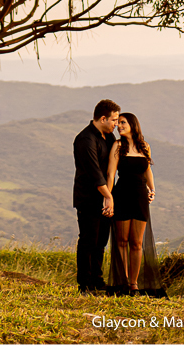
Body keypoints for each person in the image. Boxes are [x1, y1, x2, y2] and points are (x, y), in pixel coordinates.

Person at [105, 111, 167, 297]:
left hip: (140, 196)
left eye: (123, 122)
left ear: (133, 124)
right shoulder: (117, 145)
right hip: (122, 194)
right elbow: (110, 174)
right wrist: (108, 197)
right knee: (122, 241)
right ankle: (123, 281)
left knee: (137, 242)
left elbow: (148, 170)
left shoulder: (144, 146)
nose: (119, 126)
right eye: (118, 123)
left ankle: (134, 283)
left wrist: (152, 189)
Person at [72, 98, 120, 294]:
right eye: (114, 120)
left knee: (101, 241)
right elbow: (94, 173)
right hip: (89, 198)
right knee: (88, 240)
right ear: (102, 118)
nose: (116, 124)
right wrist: (108, 197)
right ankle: (84, 284)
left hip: (106, 196)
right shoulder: (86, 139)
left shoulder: (107, 137)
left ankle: (97, 280)